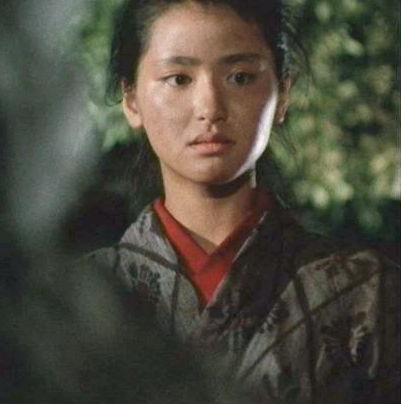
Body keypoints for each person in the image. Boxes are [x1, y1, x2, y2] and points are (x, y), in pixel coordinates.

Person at [84, 0, 400, 402]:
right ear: (131, 99)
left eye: (240, 77)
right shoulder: (78, 299)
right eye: (178, 79)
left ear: (283, 93)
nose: (210, 108)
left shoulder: (370, 295)